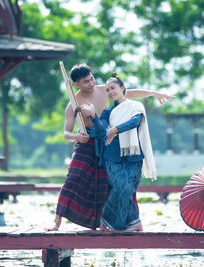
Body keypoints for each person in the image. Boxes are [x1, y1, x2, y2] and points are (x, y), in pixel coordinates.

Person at [45, 63, 174, 231]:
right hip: (85, 144)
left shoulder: (104, 90)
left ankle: (116, 223)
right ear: (76, 84)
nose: (91, 84)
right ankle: (56, 223)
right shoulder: (73, 104)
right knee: (72, 179)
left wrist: (153, 93)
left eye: (92, 79)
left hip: (109, 141)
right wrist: (77, 136)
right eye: (86, 82)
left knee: (116, 182)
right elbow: (66, 133)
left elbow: (129, 92)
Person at [82, 72, 157, 231]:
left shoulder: (136, 106)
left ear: (122, 88)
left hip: (134, 156)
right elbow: (102, 130)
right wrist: (93, 115)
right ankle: (134, 223)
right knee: (124, 187)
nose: (110, 92)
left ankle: (116, 220)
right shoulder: (108, 112)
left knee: (127, 189)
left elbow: (135, 122)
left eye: (113, 88)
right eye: (107, 90)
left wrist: (116, 129)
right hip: (112, 157)